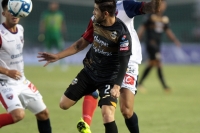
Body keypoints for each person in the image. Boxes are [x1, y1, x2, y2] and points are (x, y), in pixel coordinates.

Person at [38, 0, 132, 133]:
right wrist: (58, 56)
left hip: (109, 78)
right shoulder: (94, 21)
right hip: (89, 71)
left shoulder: (122, 33)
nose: (93, 12)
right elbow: (81, 43)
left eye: (96, 10)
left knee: (107, 114)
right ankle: (92, 92)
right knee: (64, 104)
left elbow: (124, 62)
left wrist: (117, 86)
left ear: (105, 13)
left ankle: (93, 94)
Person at [76, 0, 162, 133]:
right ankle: (86, 123)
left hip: (128, 60)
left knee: (126, 110)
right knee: (102, 104)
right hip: (106, 60)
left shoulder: (125, 5)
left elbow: (153, 8)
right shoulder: (99, 8)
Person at [0, 0, 52, 132]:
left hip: (22, 81)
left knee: (43, 114)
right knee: (18, 115)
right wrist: (6, 71)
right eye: (10, 10)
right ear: (4, 13)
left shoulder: (21, 30)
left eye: (16, 9)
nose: (14, 12)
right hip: (4, 82)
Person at [137, 0, 181, 92]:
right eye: (161, 4)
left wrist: (175, 40)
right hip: (151, 43)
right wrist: (137, 39)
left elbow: (168, 32)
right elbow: (142, 28)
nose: (163, 6)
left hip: (157, 44)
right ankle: (165, 87)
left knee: (152, 64)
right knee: (158, 63)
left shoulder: (164, 19)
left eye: (164, 5)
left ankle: (139, 83)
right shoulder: (150, 16)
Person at [39, 2, 67, 70]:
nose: (53, 6)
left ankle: (62, 64)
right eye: (51, 4)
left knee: (61, 49)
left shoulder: (60, 14)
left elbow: (62, 24)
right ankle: (49, 64)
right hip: (48, 34)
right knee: (48, 49)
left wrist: (64, 33)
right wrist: (41, 33)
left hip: (57, 34)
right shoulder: (46, 14)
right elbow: (43, 24)